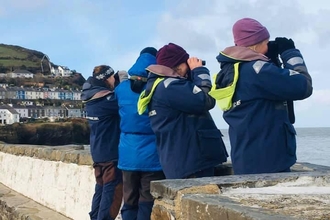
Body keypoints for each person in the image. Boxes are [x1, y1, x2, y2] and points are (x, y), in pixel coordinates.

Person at [209, 18, 313, 175]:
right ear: (255, 44)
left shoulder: (230, 71)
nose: (268, 46)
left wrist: (269, 61)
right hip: (271, 160)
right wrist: (290, 53)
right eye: (266, 42)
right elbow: (303, 86)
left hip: (245, 157)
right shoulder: (259, 71)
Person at [137, 43, 228, 179]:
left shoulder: (160, 85)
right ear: (178, 66)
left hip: (182, 160)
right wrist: (199, 71)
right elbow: (205, 100)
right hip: (192, 163)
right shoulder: (171, 87)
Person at [115, 47, 165, 220]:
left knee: (129, 199)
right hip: (152, 154)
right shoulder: (158, 88)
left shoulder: (121, 89)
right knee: (146, 199)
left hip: (127, 153)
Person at [81, 65, 127, 220]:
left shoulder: (91, 98)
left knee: (100, 190)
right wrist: (124, 84)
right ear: (107, 78)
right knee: (112, 192)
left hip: (98, 153)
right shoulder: (106, 100)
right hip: (110, 155)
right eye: (113, 76)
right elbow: (124, 103)